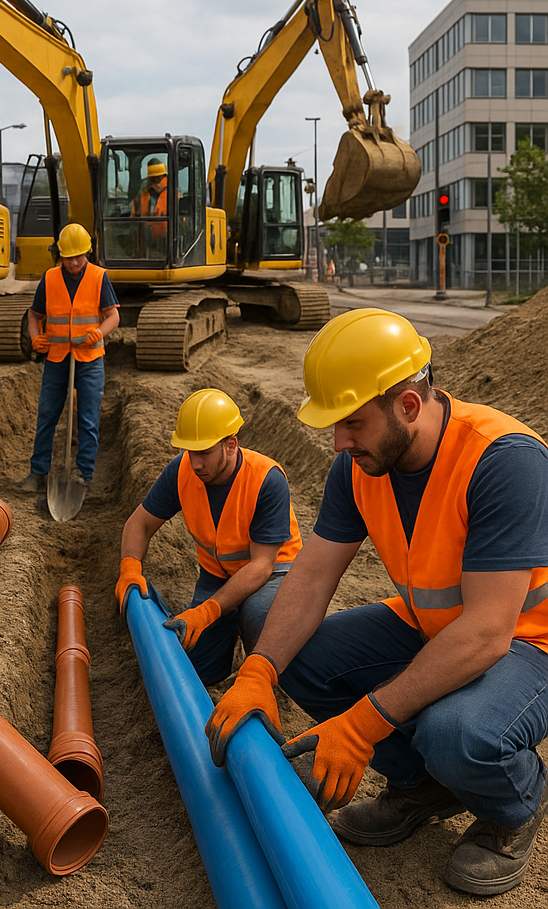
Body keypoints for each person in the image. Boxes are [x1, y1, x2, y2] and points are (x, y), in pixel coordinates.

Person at [206, 308, 548, 897]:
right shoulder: (359, 465)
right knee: (287, 644)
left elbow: (490, 632)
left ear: (409, 406)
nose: (339, 442)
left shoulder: (504, 461)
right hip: (432, 626)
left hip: (527, 641)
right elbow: (310, 578)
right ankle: (426, 787)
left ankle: (513, 807)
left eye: (352, 424)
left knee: (456, 733)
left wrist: (362, 726)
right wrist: (259, 670)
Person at [116, 388, 302, 687]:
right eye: (190, 452)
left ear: (231, 445)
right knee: (198, 668)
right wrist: (129, 568)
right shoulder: (182, 471)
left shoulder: (266, 478)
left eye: (203, 452)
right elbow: (140, 523)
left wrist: (208, 611)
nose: (196, 463)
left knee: (258, 615)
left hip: (273, 573)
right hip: (218, 574)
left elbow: (261, 566)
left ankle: (266, 678)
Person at [19, 223, 120, 492]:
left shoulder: (99, 277)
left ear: (87, 253)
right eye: (68, 257)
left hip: (90, 359)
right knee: (47, 416)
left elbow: (113, 316)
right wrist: (35, 337)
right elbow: (34, 315)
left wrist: (99, 333)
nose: (74, 262)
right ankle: (38, 472)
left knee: (87, 419)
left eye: (79, 256)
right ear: (60, 255)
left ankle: (83, 475)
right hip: (57, 357)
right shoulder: (50, 278)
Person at [130, 159, 169, 252]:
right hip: (145, 243)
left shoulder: (174, 196)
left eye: (156, 179)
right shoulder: (142, 195)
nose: (152, 183)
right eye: (151, 179)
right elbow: (134, 216)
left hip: (166, 245)